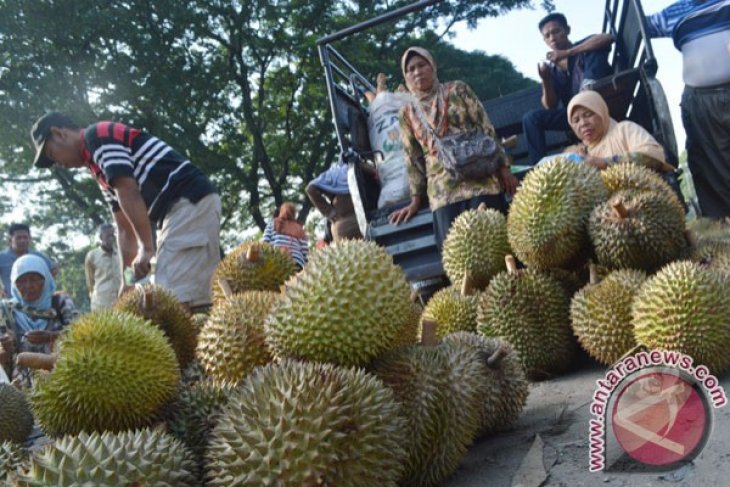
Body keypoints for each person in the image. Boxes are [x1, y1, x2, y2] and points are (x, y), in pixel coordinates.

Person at [29, 112, 221, 309]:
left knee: (173, 294)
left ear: (60, 134)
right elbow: (123, 229)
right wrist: (126, 282)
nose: (57, 164)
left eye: (52, 154)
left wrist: (146, 248)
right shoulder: (99, 170)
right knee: (183, 292)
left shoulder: (97, 136)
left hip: (188, 200)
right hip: (178, 211)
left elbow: (128, 190)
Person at [388, 47, 518, 248]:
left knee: (494, 246)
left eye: (422, 65)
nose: (417, 72)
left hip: (481, 180)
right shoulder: (406, 112)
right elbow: (412, 158)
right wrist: (415, 199)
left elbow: (486, 128)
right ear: (406, 76)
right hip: (443, 192)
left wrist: (504, 168)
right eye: (410, 69)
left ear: (433, 66)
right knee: (456, 256)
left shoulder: (458, 90)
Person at [645, 0, 730, 221]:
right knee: (708, 163)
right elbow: (638, 27)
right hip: (700, 100)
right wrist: (572, 50)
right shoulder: (674, 13)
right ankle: (721, 225)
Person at [523, 13, 614, 165]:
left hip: (600, 99)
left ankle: (587, 89)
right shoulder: (552, 70)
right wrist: (546, 79)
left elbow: (608, 38)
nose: (553, 38)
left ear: (567, 30)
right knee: (530, 118)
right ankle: (538, 169)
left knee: (593, 50)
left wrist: (568, 53)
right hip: (575, 114)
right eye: (547, 35)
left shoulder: (584, 47)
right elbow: (549, 105)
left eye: (556, 31)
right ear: (544, 40)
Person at [0, 255, 78, 386]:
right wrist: (4, 349)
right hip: (19, 384)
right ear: (13, 284)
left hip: (63, 377)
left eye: (35, 279)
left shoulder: (61, 302)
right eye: (21, 281)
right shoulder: (5, 310)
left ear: (46, 279)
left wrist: (52, 336)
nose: (28, 286)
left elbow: (82, 334)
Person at [566, 90, 676, 173]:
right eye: (576, 120)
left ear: (601, 112)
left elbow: (653, 155)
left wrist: (606, 163)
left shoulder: (624, 130)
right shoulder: (578, 155)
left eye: (588, 115)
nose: (583, 123)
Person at [306, 162, 363, 241]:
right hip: (352, 222)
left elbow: (310, 189)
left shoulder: (331, 176)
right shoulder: (357, 166)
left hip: (342, 225)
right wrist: (329, 212)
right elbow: (310, 189)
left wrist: (330, 212)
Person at [0, 223, 57, 296]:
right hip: (11, 301)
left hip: (37, 301)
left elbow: (54, 268)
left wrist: (43, 284)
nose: (22, 240)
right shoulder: (2, 257)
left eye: (25, 237)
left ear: (29, 239)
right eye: (19, 238)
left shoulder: (37, 256)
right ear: (10, 240)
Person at [85, 223, 122, 310]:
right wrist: (93, 296)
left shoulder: (120, 254)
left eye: (113, 235)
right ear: (101, 237)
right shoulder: (92, 256)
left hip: (121, 301)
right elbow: (90, 281)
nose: (111, 238)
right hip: (101, 303)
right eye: (108, 236)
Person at [262, 202, 309, 269]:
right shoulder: (300, 230)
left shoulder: (272, 223)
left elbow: (265, 243)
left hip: (275, 259)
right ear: (294, 214)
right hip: (297, 262)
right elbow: (305, 252)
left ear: (280, 211)